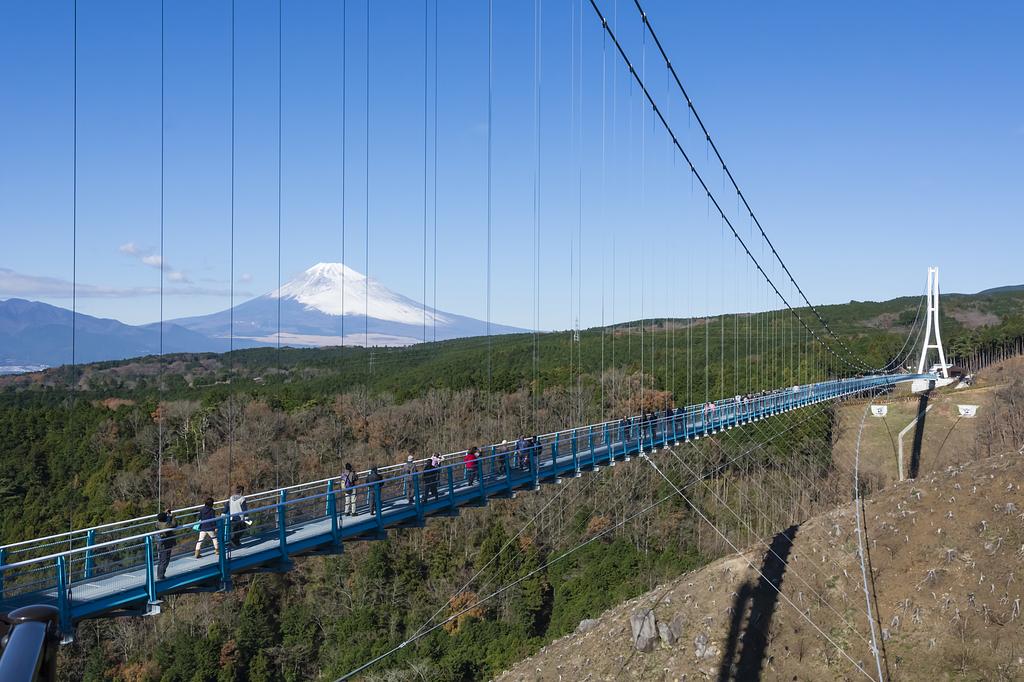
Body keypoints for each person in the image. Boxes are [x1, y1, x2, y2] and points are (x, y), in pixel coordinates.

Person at [154, 509, 177, 580]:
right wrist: (172, 517)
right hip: (166, 544)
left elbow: (161, 518)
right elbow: (174, 524)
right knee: (165, 560)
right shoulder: (166, 525)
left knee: (161, 560)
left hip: (160, 543)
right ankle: (161, 576)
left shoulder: (157, 523)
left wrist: (164, 513)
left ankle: (159, 574)